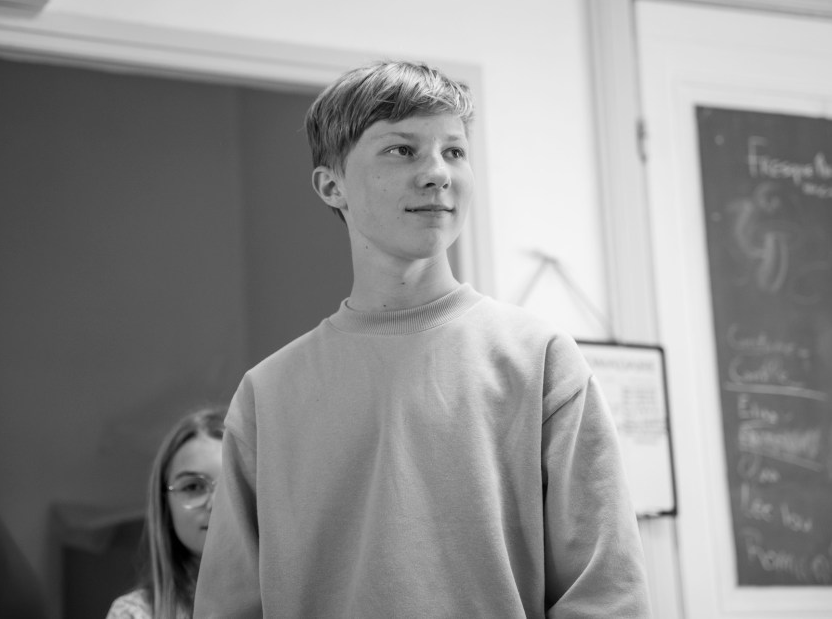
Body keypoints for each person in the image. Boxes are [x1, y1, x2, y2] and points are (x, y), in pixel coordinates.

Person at [194, 61, 652, 618]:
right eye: (401, 150)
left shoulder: (541, 362)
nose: (437, 173)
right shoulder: (267, 395)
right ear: (332, 186)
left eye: (454, 151)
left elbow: (607, 596)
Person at [107, 406, 225, 619]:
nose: (215, 503)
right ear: (165, 506)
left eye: (231, 486)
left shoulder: (287, 601)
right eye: (193, 487)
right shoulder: (134, 614)